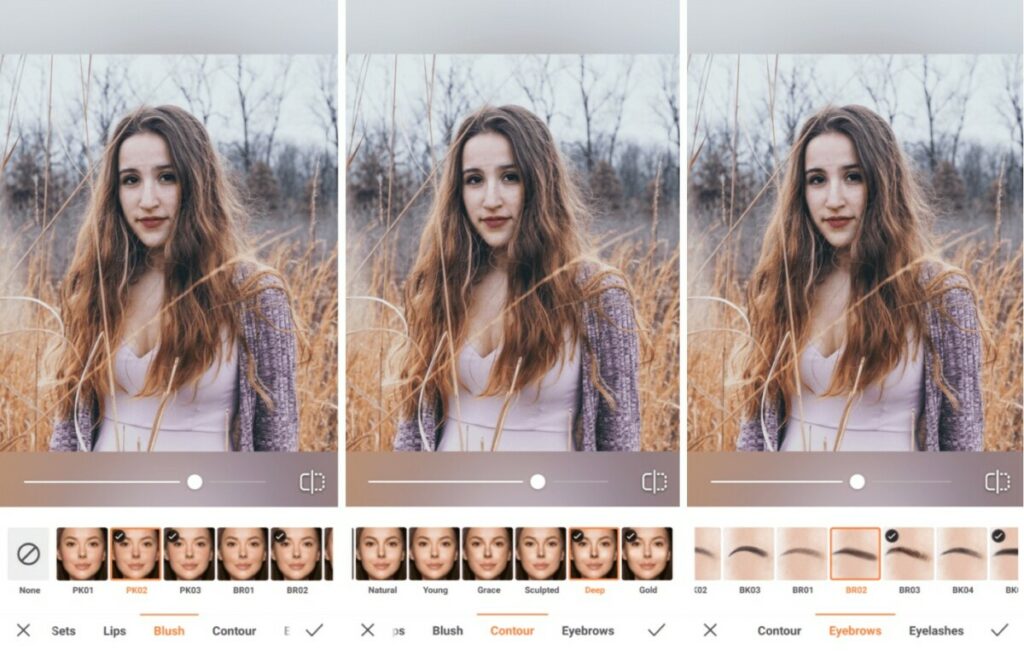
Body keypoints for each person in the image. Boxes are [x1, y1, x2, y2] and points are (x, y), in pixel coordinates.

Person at [48, 105, 298, 452]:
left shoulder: (253, 293)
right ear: (114, 192)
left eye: (167, 177)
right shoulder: (96, 286)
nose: (148, 200)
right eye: (131, 180)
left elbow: (279, 440)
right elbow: (68, 430)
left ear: (197, 184)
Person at [393, 105, 640, 452]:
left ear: (540, 184)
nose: (491, 200)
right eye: (474, 180)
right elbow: (412, 430)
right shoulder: (441, 285)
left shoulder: (597, 294)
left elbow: (621, 441)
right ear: (458, 192)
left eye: (510, 177)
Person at [737, 104, 984, 452]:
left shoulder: (939, 294)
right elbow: (754, 430)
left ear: (883, 184)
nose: (833, 200)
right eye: (817, 179)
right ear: (801, 191)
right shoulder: (783, 284)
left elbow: (964, 442)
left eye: (853, 177)